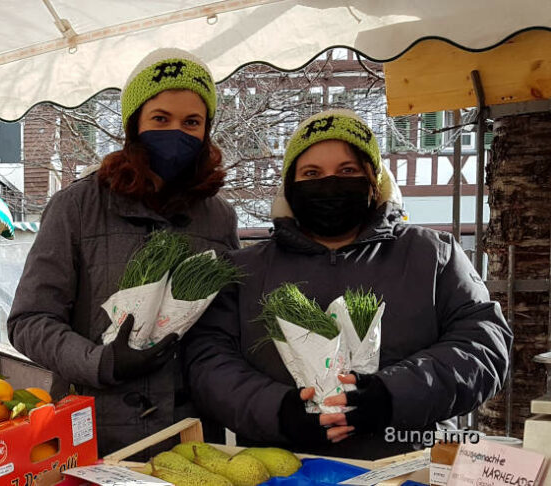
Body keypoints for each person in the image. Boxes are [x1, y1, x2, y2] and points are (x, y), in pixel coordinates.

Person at [183, 109, 512, 460]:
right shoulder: (245, 269)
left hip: (410, 467)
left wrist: (391, 395)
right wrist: (278, 411)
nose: (330, 184)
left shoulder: (433, 255)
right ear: (290, 186)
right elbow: (208, 360)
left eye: (348, 171)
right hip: (284, 471)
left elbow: (483, 346)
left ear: (374, 180)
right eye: (312, 173)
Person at [8, 48, 239, 456]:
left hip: (192, 432)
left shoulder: (219, 218)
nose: (177, 132)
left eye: (192, 122)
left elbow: (226, 325)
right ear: (134, 125)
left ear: (206, 131)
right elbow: (29, 320)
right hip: (96, 434)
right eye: (161, 118)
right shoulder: (76, 207)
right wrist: (99, 362)